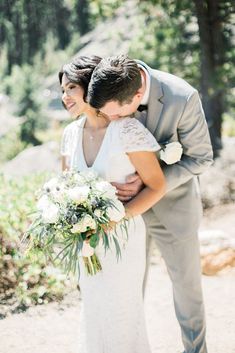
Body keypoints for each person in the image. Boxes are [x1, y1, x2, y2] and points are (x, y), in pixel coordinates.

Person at [87, 55, 213, 353]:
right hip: (122, 213)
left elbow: (201, 157)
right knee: (126, 288)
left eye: (117, 116)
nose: (113, 122)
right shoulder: (108, 85)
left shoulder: (182, 96)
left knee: (187, 289)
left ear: (138, 95)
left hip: (174, 207)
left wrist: (150, 181)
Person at [59, 55, 167, 353]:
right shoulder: (69, 135)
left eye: (70, 88)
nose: (64, 96)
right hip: (86, 243)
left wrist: (121, 216)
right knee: (93, 309)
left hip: (123, 237)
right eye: (62, 90)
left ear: (90, 87)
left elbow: (157, 186)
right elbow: (66, 186)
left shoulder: (127, 131)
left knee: (121, 311)